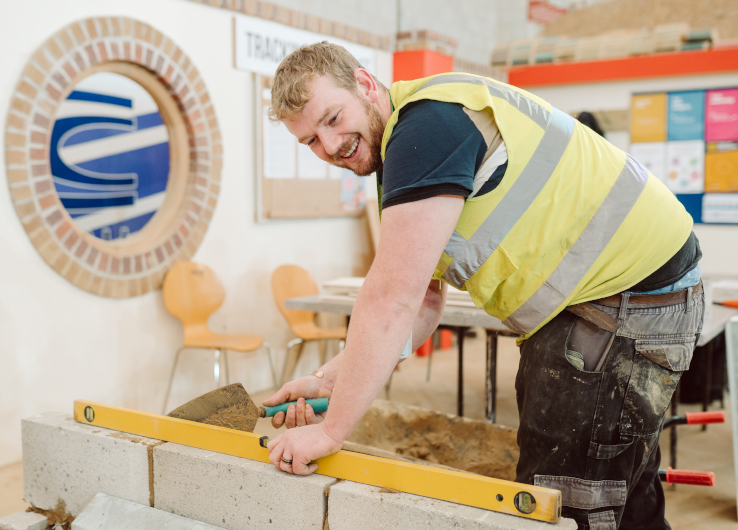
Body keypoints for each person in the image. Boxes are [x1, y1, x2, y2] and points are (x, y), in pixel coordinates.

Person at [262, 42, 703, 530]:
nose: (329, 146)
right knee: (621, 486)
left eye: (332, 118)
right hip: (619, 297)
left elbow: (391, 301)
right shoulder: (402, 150)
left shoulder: (428, 125)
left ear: (365, 85)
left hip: (622, 299)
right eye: (310, 142)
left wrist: (329, 433)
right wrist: (331, 380)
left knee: (562, 502)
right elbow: (425, 300)